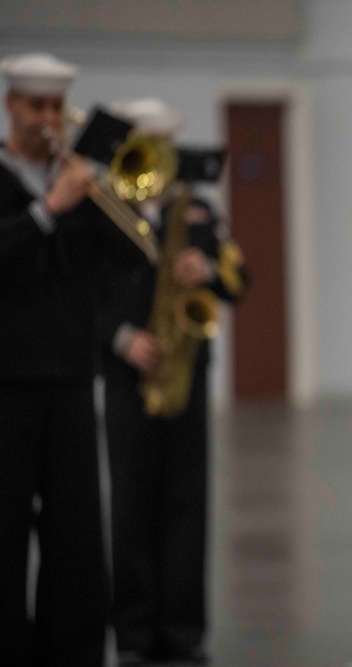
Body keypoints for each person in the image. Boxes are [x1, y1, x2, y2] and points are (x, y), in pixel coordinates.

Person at [0, 52, 149, 666]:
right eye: (36, 106)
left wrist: (100, 188)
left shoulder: (78, 182)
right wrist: (47, 210)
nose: (47, 119)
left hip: (69, 378)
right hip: (6, 381)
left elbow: (133, 255)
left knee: (76, 535)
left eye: (56, 107)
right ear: (12, 106)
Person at [98, 98, 247, 666]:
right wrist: (118, 336)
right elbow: (85, 294)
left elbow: (240, 278)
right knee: (131, 503)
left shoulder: (198, 211)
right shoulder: (105, 211)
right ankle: (134, 634)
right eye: (148, 141)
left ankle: (184, 632)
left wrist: (207, 269)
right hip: (127, 373)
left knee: (188, 503)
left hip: (186, 372)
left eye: (165, 141)